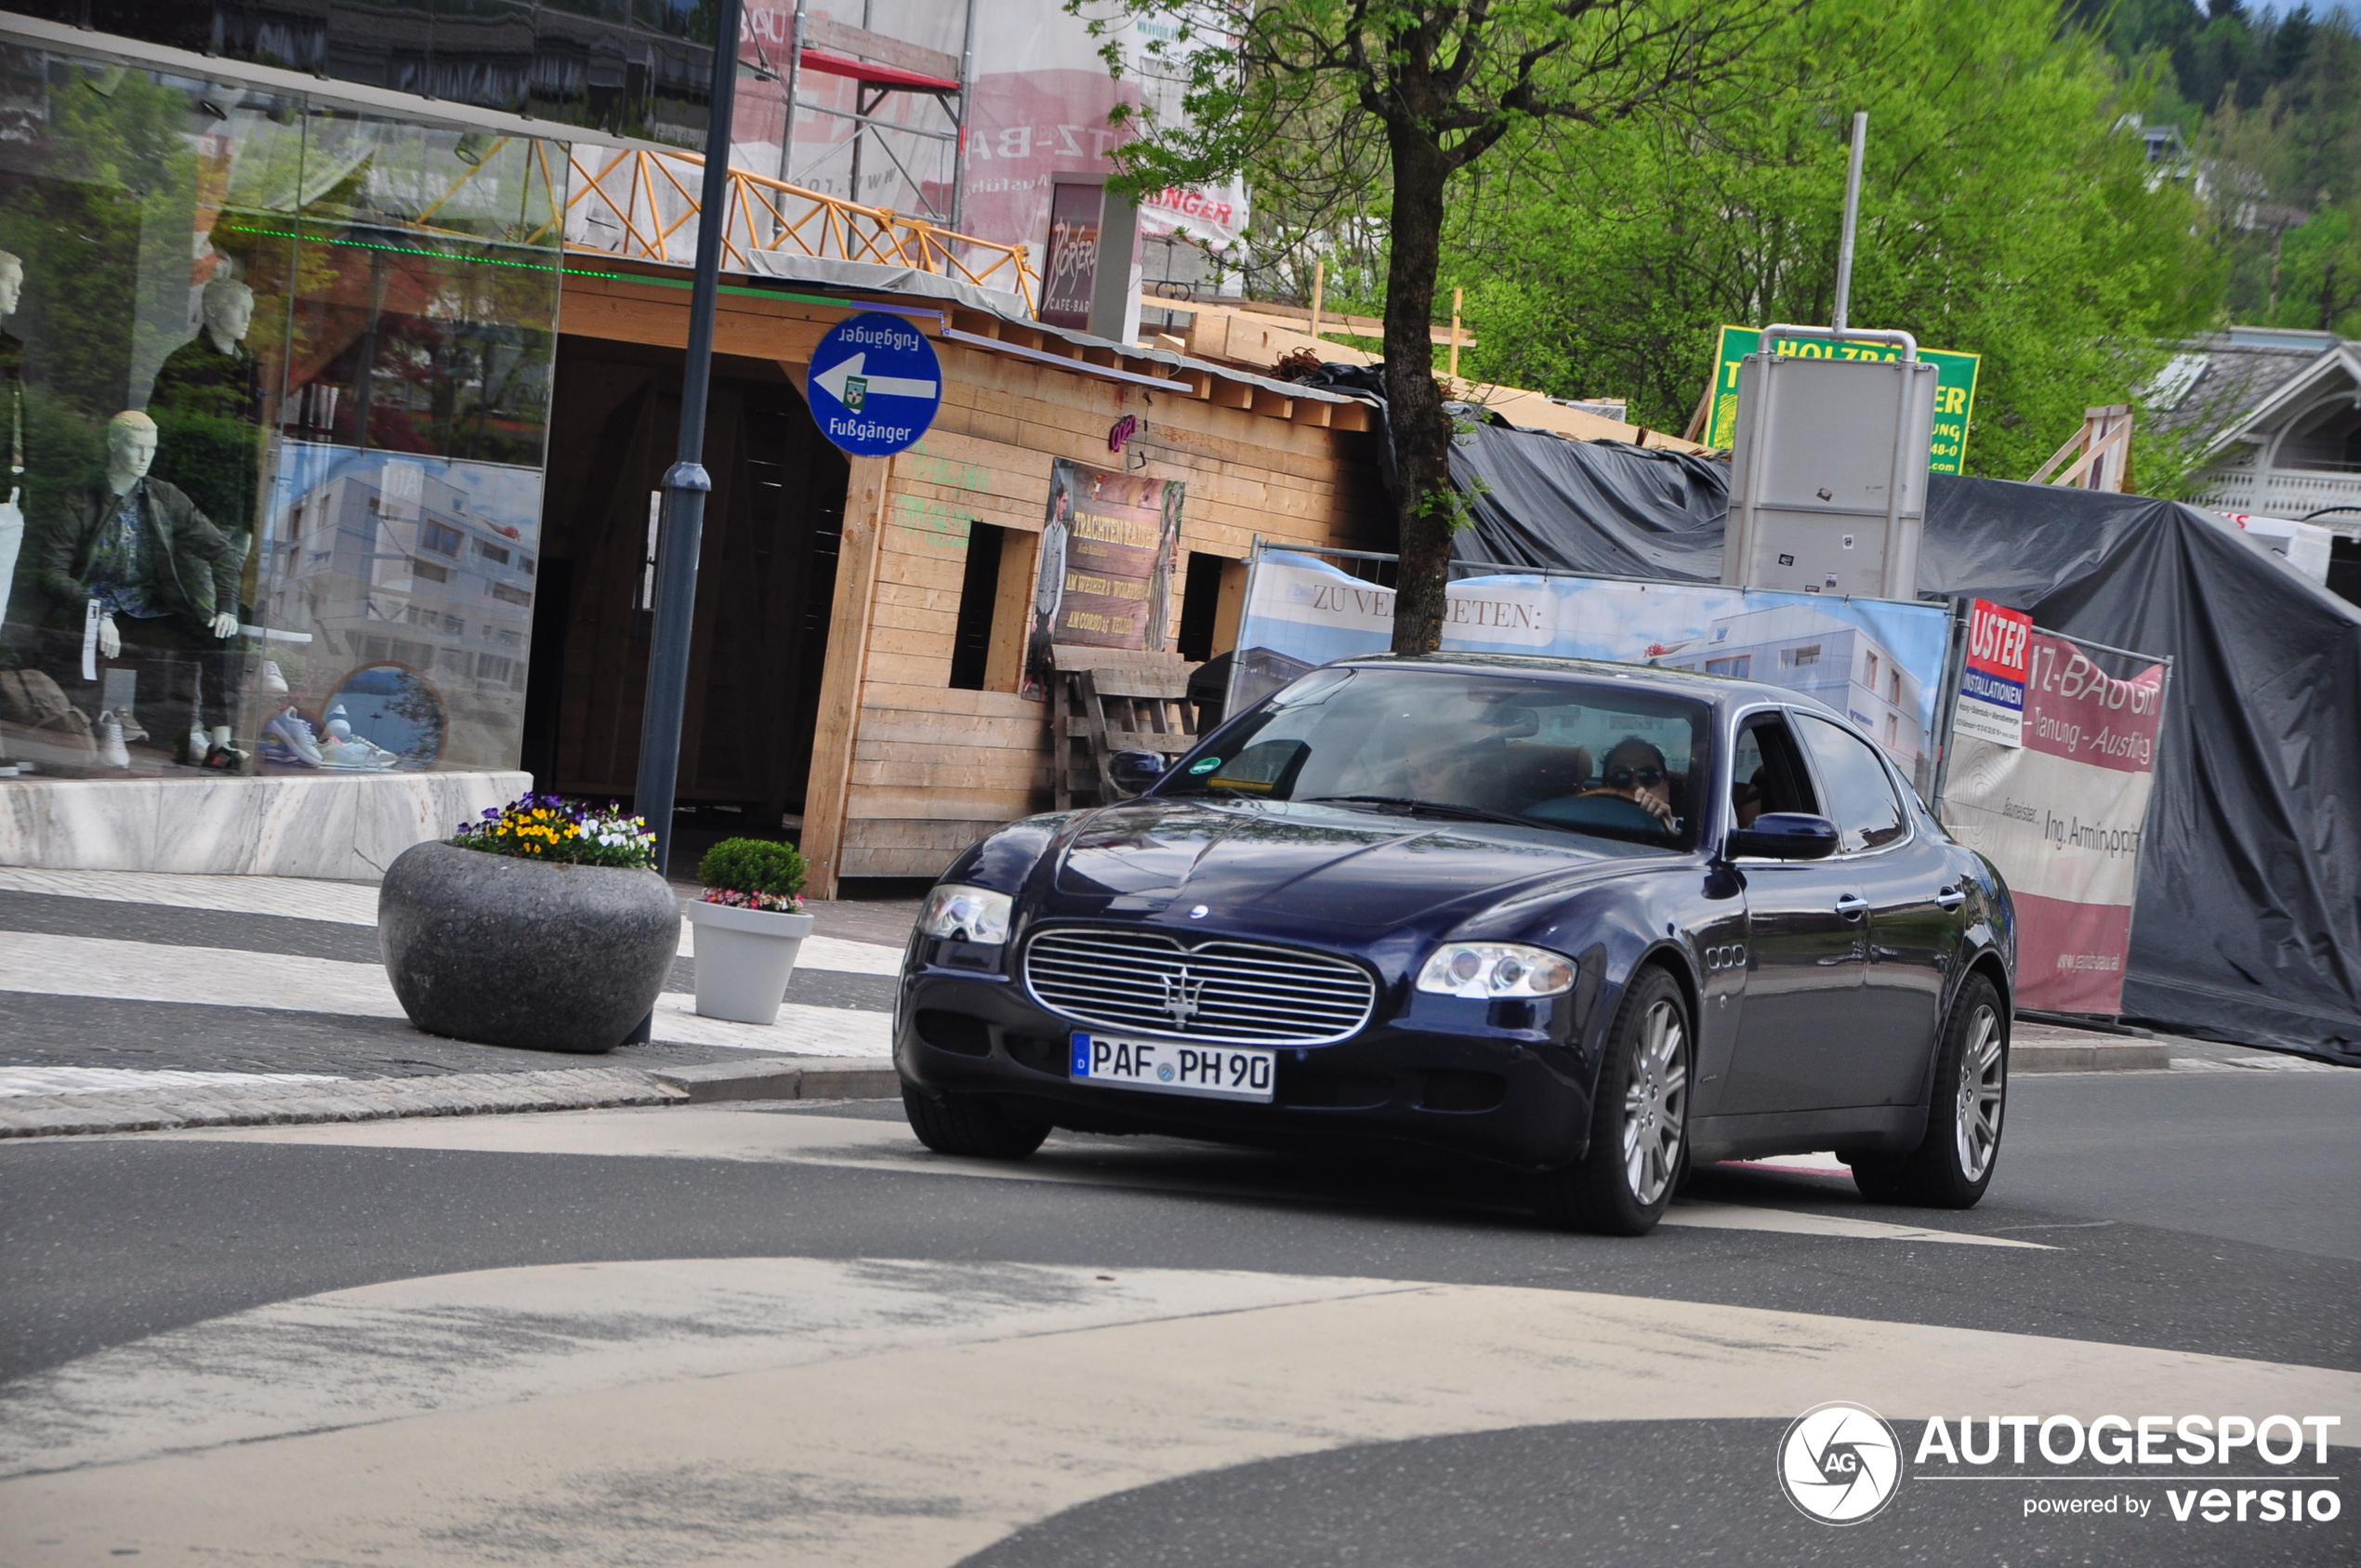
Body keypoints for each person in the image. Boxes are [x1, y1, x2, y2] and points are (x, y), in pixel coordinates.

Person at [34, 411, 241, 761]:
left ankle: (220, 744)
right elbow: (51, 571)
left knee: (216, 636)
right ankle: (105, 727)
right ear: (113, 445)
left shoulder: (165, 497)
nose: (145, 457)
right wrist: (95, 610)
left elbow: (223, 550)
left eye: (152, 448)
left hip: (150, 608)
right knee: (95, 644)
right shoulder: (81, 499)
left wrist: (227, 607)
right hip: (93, 609)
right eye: (136, 447)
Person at [1580, 735, 1677, 829]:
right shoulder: (1585, 822)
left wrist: (1670, 830)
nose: (1636, 786)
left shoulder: (1686, 832)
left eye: (1648, 775)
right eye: (1620, 777)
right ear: (1605, 788)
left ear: (1666, 789)